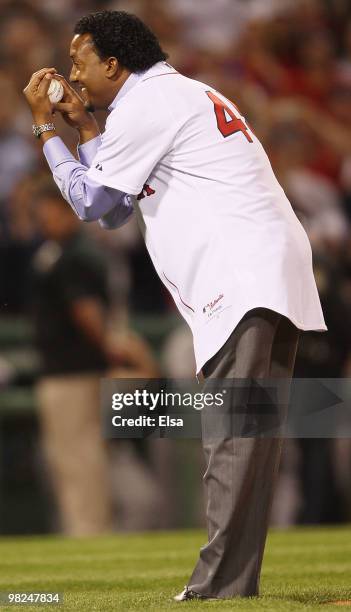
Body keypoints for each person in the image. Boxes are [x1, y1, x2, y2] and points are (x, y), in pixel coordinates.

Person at [23, 10, 326, 600]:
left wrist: (46, 132)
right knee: (252, 437)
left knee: (233, 436)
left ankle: (218, 587)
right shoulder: (173, 94)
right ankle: (235, 582)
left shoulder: (146, 104)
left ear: (114, 63)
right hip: (270, 268)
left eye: (80, 59)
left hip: (240, 276)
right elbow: (115, 210)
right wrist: (85, 127)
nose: (73, 73)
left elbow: (89, 204)